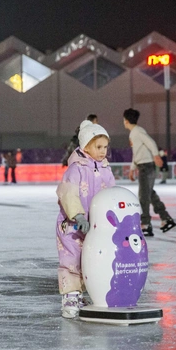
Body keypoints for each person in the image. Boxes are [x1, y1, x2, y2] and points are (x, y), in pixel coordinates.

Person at [56, 120, 115, 318]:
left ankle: (81, 294)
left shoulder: (105, 168)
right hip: (73, 226)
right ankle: (70, 297)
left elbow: (111, 193)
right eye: (98, 147)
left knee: (89, 260)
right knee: (72, 259)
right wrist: (78, 215)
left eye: (105, 147)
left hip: (96, 226)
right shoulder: (76, 168)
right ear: (86, 146)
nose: (103, 151)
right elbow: (67, 193)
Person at [123, 108, 176, 236]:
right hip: (143, 166)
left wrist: (156, 155)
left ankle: (146, 224)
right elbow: (136, 153)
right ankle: (165, 218)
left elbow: (151, 142)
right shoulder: (135, 132)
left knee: (143, 196)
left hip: (146, 167)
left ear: (126, 121)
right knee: (149, 194)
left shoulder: (137, 132)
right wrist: (132, 169)